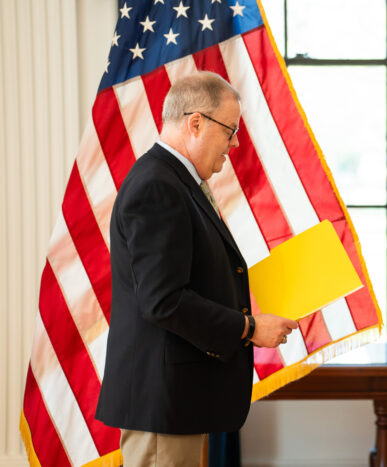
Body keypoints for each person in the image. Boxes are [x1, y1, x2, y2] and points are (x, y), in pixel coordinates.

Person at [95, 71, 298, 466]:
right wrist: (249, 328)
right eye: (230, 130)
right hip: (163, 406)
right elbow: (164, 301)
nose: (235, 143)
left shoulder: (173, 181)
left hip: (177, 402)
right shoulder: (158, 186)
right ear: (195, 123)